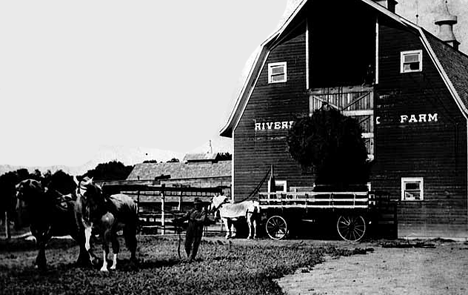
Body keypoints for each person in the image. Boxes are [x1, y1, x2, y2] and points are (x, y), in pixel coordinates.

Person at [175, 198, 207, 262]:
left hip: (198, 229)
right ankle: (189, 255)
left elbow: (202, 219)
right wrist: (178, 220)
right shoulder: (191, 211)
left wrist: (195, 220)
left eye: (198, 204)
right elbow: (185, 217)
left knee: (195, 243)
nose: (196, 206)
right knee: (187, 243)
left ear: (200, 205)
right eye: (195, 204)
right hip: (190, 228)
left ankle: (192, 257)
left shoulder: (202, 212)